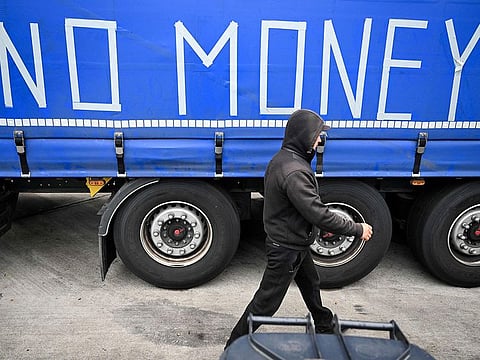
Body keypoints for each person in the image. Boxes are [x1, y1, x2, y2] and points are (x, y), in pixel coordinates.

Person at [225, 109, 373, 348]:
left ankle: (324, 324)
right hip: (286, 248)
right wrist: (356, 228)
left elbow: (298, 207)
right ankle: (233, 345)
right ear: (303, 136)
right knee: (266, 302)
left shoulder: (284, 159)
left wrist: (314, 228)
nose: (319, 140)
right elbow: (318, 212)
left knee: (311, 285)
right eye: (316, 135)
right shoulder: (294, 171)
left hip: (295, 242)